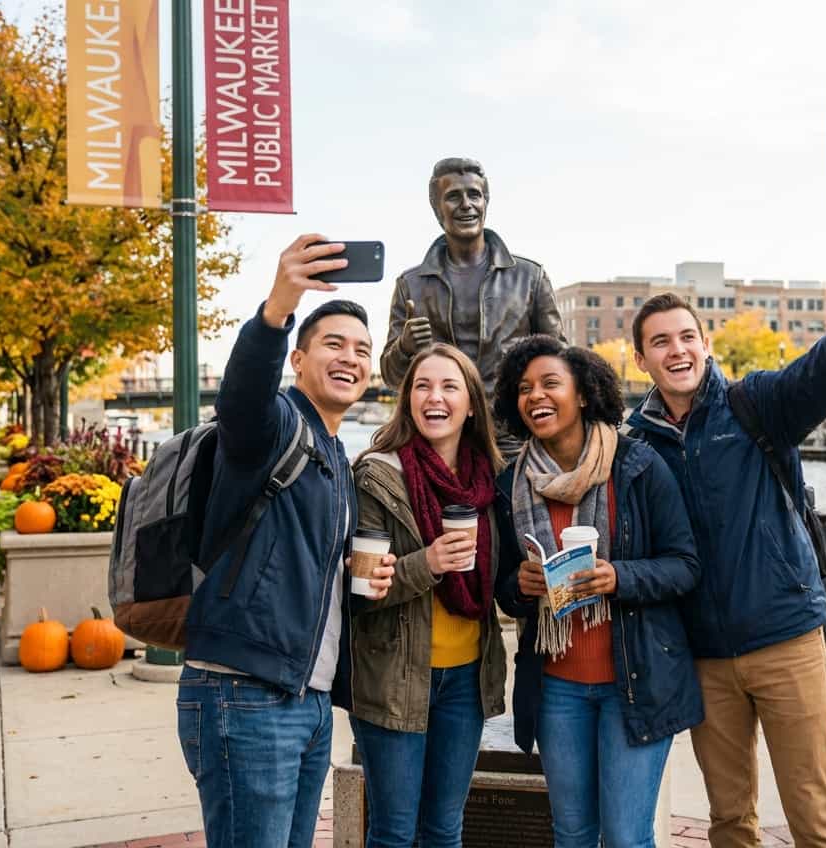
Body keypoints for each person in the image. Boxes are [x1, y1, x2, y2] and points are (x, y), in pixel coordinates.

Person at [624, 277, 826, 848]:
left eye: (687, 337)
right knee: (729, 820)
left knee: (815, 814)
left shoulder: (754, 404)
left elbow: (815, 376)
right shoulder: (637, 446)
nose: (676, 350)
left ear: (705, 345)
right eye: (660, 342)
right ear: (640, 360)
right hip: (703, 656)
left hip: (784, 638)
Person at [175, 236, 396, 847]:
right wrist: (278, 307)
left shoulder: (334, 453)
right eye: (333, 345)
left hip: (307, 697)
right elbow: (241, 396)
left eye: (362, 350)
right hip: (245, 692)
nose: (350, 358)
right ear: (298, 360)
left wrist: (358, 572)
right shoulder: (272, 424)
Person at [493, 335, 702, 848]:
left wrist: (620, 577)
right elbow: (504, 590)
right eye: (523, 388)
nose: (535, 396)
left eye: (549, 383)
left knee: (628, 838)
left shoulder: (637, 466)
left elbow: (685, 565)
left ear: (583, 393)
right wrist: (519, 587)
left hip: (633, 683)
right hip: (557, 688)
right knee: (572, 834)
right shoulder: (509, 484)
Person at [349, 343, 509, 847]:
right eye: (422, 385)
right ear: (407, 399)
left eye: (448, 386)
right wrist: (430, 562)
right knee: (394, 832)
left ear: (470, 403)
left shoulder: (490, 480)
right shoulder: (377, 474)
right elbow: (361, 589)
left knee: (444, 830)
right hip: (394, 677)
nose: (434, 397)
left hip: (466, 679)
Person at [380, 157, 564, 454]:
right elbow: (391, 377)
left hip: (515, 444)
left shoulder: (529, 277)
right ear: (437, 208)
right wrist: (405, 348)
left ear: (486, 202)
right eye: (453, 196)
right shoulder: (410, 285)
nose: (466, 204)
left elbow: (559, 364)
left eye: (474, 195)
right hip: (442, 446)